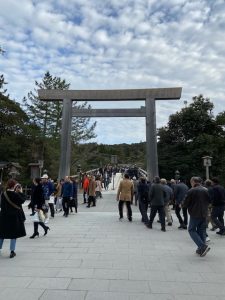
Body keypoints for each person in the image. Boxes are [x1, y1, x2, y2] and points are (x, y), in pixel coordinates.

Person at [183, 177, 210, 257]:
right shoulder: (206, 190)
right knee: (202, 231)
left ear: (193, 182)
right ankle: (200, 249)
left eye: (191, 182)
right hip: (204, 213)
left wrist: (183, 205)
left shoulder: (192, 190)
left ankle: (202, 246)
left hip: (195, 213)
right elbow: (210, 200)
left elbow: (186, 203)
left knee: (191, 229)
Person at [0, 179, 26, 258]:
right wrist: (20, 192)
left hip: (4, 216)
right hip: (14, 217)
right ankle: (12, 251)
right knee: (13, 235)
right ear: (14, 186)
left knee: (2, 234)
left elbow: (1, 205)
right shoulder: (15, 194)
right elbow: (22, 200)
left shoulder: (3, 194)